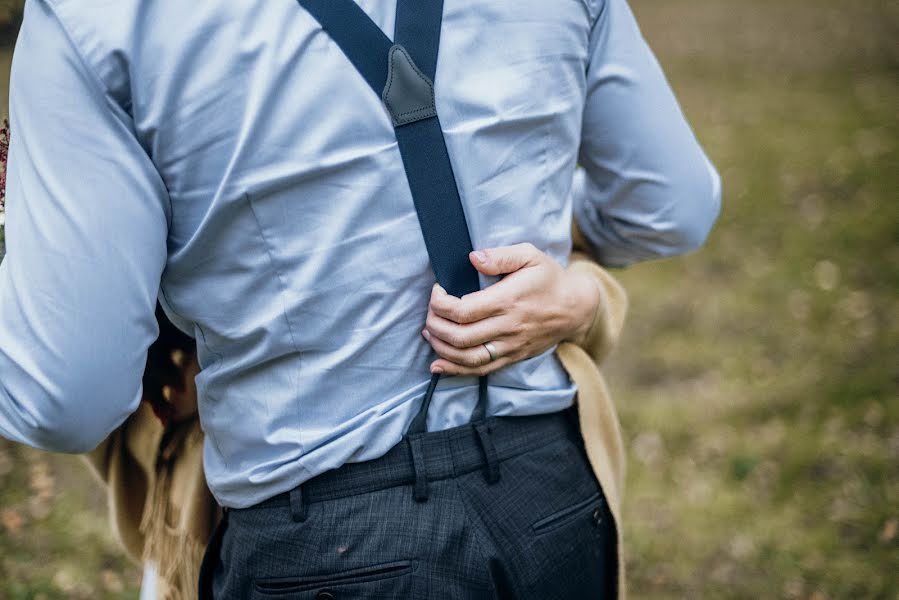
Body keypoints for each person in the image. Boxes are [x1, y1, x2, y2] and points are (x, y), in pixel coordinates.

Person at [0, 0, 720, 597]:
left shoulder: (94, 17)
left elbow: (65, 395)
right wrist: (555, 270)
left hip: (321, 542)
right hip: (553, 499)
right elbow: (671, 204)